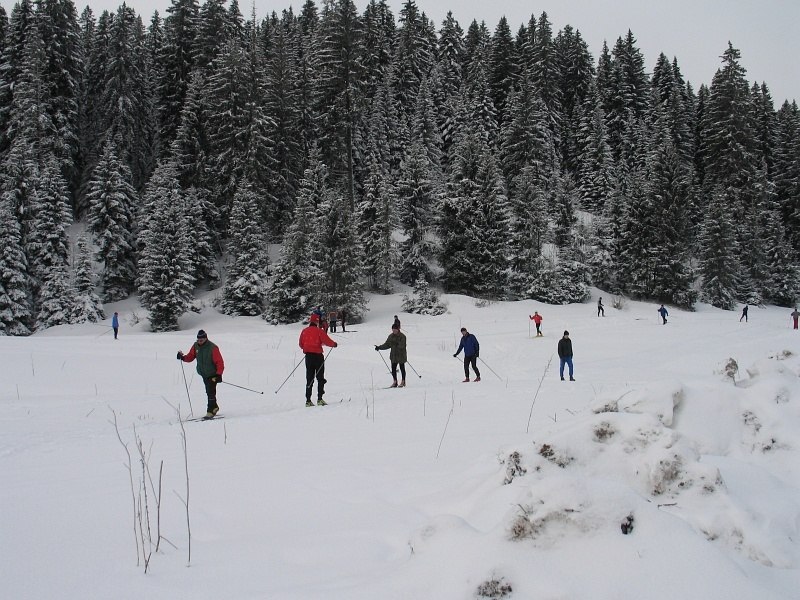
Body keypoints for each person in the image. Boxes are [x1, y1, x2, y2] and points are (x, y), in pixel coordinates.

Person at [178, 330, 225, 418]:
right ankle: (215, 407)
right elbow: (190, 356)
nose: (199, 342)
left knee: (210, 392)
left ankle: (210, 411)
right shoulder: (195, 346)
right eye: (198, 340)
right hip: (204, 374)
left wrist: (218, 374)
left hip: (212, 374)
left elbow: (219, 362)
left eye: (201, 340)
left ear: (206, 338)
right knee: (209, 391)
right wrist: (183, 358)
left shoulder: (213, 348)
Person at [299, 313, 338, 406]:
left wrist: (308, 347)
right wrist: (334, 344)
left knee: (309, 378)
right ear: (317, 321)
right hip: (318, 357)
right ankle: (320, 399)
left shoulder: (304, 331)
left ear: (310, 321)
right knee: (320, 378)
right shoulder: (319, 331)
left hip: (308, 357)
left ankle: (308, 400)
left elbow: (301, 344)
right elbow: (327, 341)